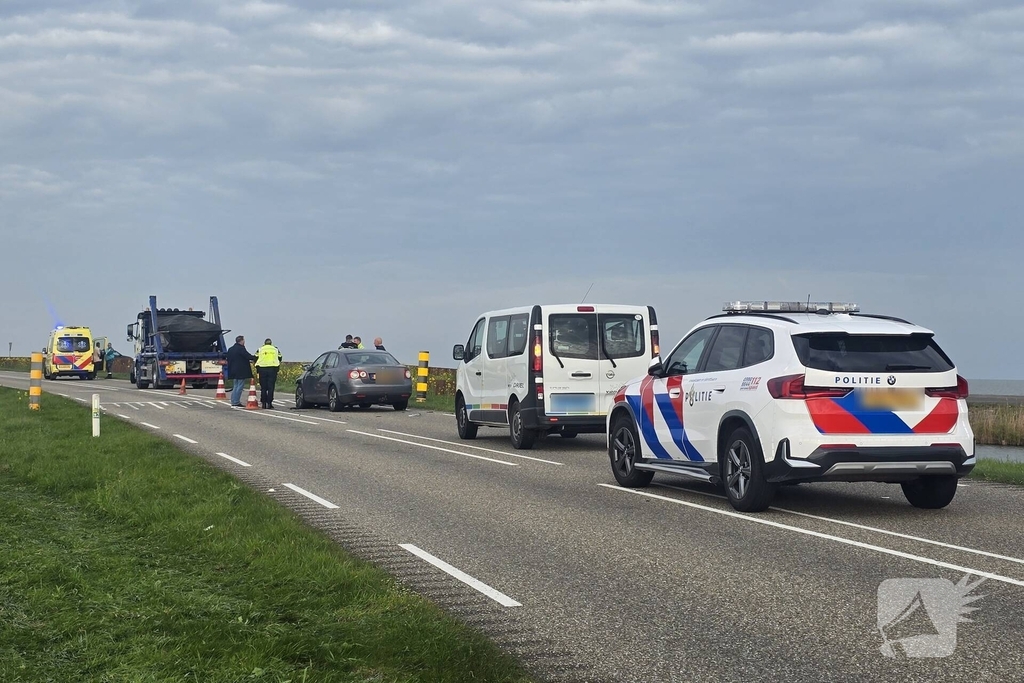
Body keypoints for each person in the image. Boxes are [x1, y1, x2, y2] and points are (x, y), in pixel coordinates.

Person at [226, 335, 257, 406]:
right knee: (239, 387)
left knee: (235, 386)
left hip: (233, 370)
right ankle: (236, 402)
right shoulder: (241, 349)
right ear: (241, 341)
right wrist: (256, 357)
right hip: (240, 371)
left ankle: (233, 401)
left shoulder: (231, 349)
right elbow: (248, 356)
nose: (244, 342)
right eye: (244, 340)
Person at [254, 338, 282, 409]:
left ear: (265, 343)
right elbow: (280, 357)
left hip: (262, 369)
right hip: (272, 369)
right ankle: (269, 403)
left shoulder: (260, 349)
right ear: (271, 343)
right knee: (271, 387)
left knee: (263, 387)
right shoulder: (275, 349)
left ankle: (263, 403)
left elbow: (255, 357)